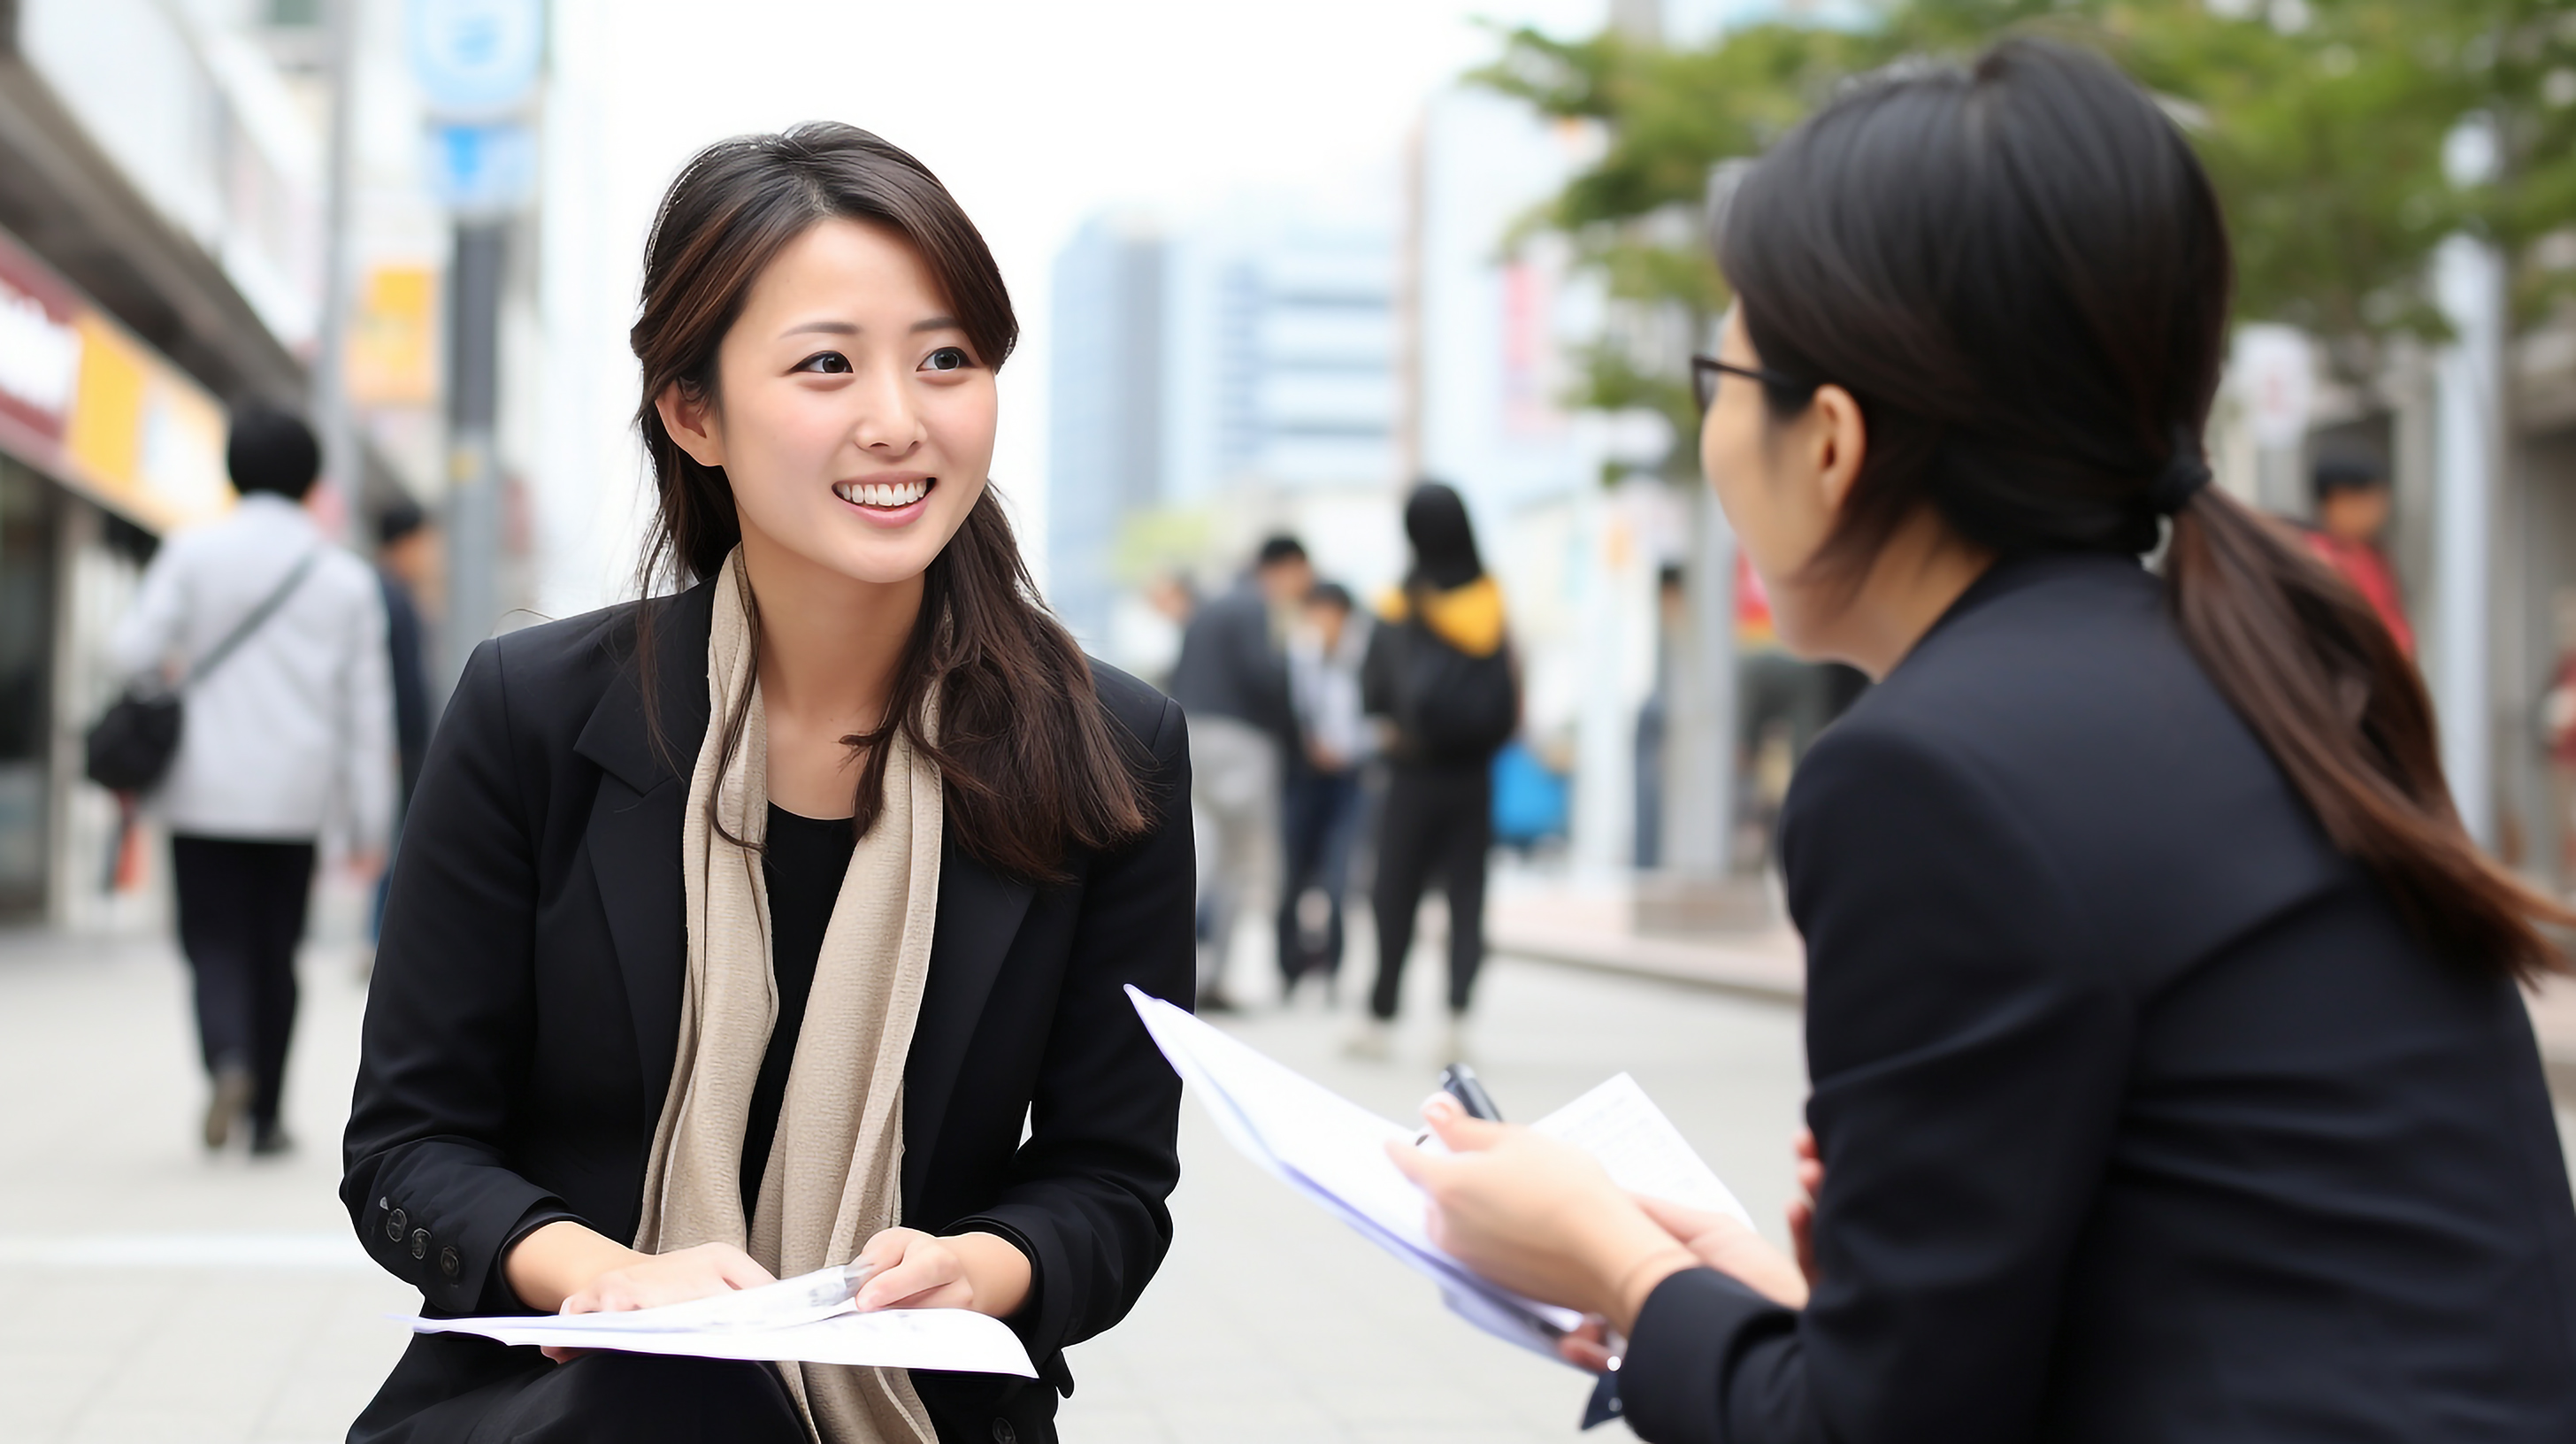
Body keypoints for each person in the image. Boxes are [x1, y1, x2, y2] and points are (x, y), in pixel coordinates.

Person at [1386, 41, 2576, 1443]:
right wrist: (1767, 1304)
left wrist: (1616, 1264)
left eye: (1722, 366)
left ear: (1828, 441)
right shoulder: (2258, 670)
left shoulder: (1929, 774)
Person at [342, 124, 1195, 1444]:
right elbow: (405, 1149)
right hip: (568, 1408)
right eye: (826, 365)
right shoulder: (533, 712)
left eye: (946, 360)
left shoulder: (1109, 751)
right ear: (694, 414)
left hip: (916, 1405)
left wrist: (984, 1271)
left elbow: (1113, 1183)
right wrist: (607, 1278)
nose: (898, 421)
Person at [110, 404, 391, 1156]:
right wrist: (372, 823)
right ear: (310, 482)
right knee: (277, 950)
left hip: (202, 790)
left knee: (212, 941)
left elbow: (131, 648)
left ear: (232, 469)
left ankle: (227, 1059)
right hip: (295, 798)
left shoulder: (193, 552)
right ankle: (266, 1119)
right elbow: (368, 715)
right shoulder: (343, 579)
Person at [1350, 483, 1515, 1064]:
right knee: (1467, 896)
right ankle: (1456, 1019)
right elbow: (1511, 695)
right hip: (1473, 777)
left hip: (1410, 775)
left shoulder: (1398, 605)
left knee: (1393, 892)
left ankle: (1380, 1016)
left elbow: (1370, 693)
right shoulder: (1490, 603)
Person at [1167, 534, 1309, 1011]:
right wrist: (1296, 733)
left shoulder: (1210, 606)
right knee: (1245, 865)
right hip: (1241, 742)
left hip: (1192, 736)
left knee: (1200, 857)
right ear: (1285, 567)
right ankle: (1215, 976)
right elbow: (1265, 675)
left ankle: (1184, 975)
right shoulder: (1255, 606)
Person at [1276, 580, 1370, 998]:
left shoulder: (1364, 660)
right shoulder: (1297, 657)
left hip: (1349, 779)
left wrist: (1349, 751)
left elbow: (1377, 719)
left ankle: (1333, 970)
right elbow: (1286, 712)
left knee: (1337, 878)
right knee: (1291, 875)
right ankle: (1289, 970)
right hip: (1302, 778)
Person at [366, 500, 439, 955]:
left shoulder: (399, 592)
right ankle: (379, 936)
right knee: (394, 840)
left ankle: (380, 935)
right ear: (406, 543)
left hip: (403, 741)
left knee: (396, 838)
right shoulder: (387, 595)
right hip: (396, 743)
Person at [2302, 453, 2414, 655]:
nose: (2379, 511)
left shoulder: (2372, 553)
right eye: (2367, 501)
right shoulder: (2316, 558)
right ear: (2336, 501)